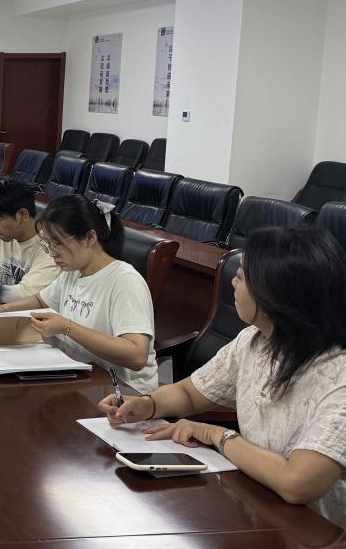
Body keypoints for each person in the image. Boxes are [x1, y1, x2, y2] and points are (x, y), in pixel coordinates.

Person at [99, 226, 346, 527]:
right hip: (261, 506)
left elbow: (298, 483)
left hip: (321, 534)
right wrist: (147, 404)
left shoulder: (338, 376)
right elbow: (191, 393)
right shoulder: (255, 341)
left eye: (240, 276)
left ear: (274, 294)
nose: (232, 282)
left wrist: (217, 435)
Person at [0, 194, 158, 392]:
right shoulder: (73, 271)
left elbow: (136, 355)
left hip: (123, 392)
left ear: (90, 238)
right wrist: (3, 309)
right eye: (48, 244)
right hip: (83, 378)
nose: (52, 253)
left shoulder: (125, 281)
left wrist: (67, 327)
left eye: (58, 244)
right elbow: (40, 300)